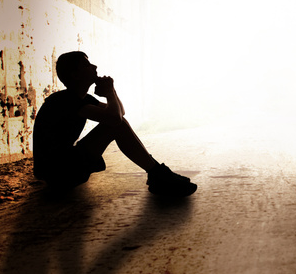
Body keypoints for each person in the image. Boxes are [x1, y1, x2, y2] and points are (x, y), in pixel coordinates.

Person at [33, 51, 197, 196]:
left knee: (117, 123)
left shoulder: (82, 99)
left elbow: (120, 112)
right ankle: (157, 174)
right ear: (75, 75)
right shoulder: (65, 100)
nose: (94, 67)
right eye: (87, 65)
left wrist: (112, 91)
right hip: (58, 174)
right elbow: (115, 119)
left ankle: (156, 172)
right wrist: (110, 93)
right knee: (114, 125)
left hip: (62, 168)